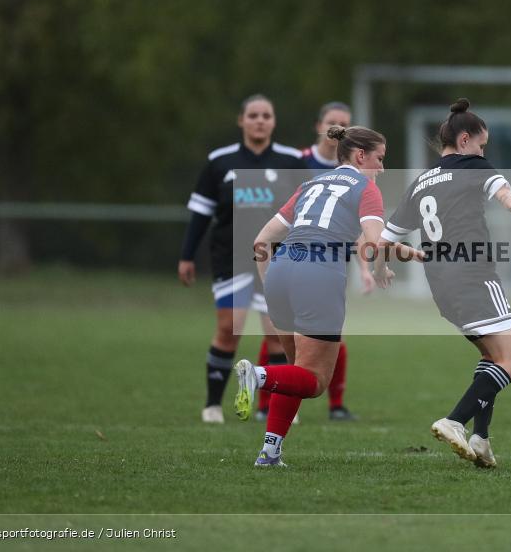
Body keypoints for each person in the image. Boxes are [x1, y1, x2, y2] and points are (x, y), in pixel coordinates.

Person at [377, 98, 511, 468]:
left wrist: (392, 266)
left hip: (440, 283)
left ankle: (481, 439)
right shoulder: (475, 167)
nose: (484, 151)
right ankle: (454, 421)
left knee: (492, 357)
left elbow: (384, 244)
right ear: (466, 139)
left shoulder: (421, 181)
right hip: (473, 276)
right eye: (483, 145)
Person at [234, 125, 418, 466]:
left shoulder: (310, 185)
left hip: (281, 271)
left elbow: (261, 242)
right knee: (315, 380)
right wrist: (399, 260)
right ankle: (257, 376)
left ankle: (270, 453)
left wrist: (270, 284)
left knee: (295, 369)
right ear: (361, 156)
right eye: (380, 159)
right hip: (317, 276)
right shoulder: (366, 188)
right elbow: (377, 243)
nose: (382, 168)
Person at [178, 94, 309, 424]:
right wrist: (186, 256)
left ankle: (275, 406)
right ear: (241, 121)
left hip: (278, 260)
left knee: (277, 333)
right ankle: (211, 405)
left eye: (266, 115)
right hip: (231, 258)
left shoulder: (291, 160)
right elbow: (201, 213)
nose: (260, 120)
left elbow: (308, 212)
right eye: (253, 115)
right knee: (227, 329)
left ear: (274, 121)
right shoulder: (220, 161)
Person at [254, 101, 368, 422]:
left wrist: (362, 267)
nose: (339, 130)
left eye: (345, 124)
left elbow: (357, 229)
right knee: (301, 355)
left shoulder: (343, 173)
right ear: (320, 125)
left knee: (315, 347)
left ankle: (330, 408)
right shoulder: (300, 163)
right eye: (334, 123)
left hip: (303, 265)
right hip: (303, 262)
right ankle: (265, 392)